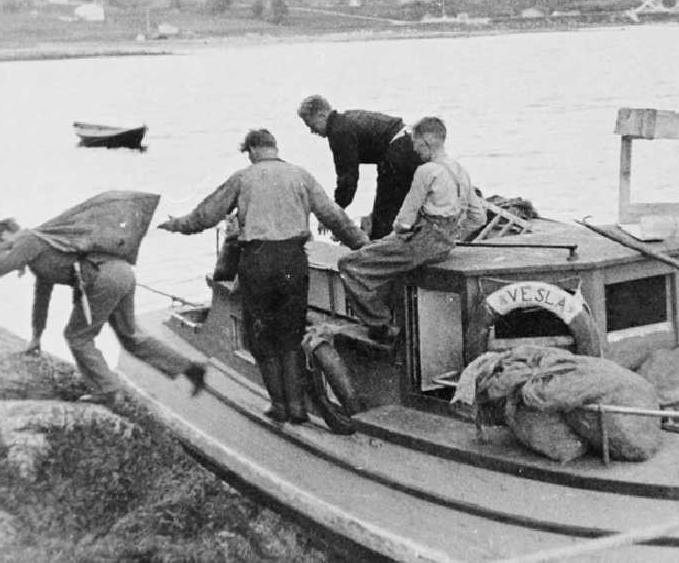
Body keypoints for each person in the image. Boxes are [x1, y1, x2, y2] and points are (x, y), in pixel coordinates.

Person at [158, 128, 368, 423]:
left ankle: (280, 406)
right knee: (291, 335)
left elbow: (206, 215)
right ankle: (297, 408)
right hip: (293, 262)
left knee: (261, 337)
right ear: (275, 147)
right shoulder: (302, 176)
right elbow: (335, 217)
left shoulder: (243, 178)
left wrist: (178, 225)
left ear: (253, 149)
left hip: (257, 262)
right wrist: (365, 247)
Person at [0, 218, 206, 405]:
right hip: (121, 273)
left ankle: (108, 390)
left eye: (5, 245)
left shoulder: (27, 240)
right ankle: (190, 368)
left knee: (77, 336)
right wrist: (37, 336)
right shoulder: (39, 252)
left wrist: (5, 244)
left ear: (9, 236)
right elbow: (42, 298)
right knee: (131, 337)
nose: (9, 254)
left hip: (105, 278)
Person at [338, 116, 486, 341]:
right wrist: (451, 235)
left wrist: (386, 240)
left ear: (425, 142)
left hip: (420, 242)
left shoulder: (426, 171)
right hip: (445, 244)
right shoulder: (459, 170)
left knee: (350, 264)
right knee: (380, 255)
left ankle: (381, 325)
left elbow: (403, 222)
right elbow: (478, 217)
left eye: (415, 144)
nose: (414, 150)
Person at [297, 94, 422, 240]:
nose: (312, 131)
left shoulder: (338, 131)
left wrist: (333, 214)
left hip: (398, 150)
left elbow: (347, 179)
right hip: (411, 142)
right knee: (400, 204)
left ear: (321, 114)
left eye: (311, 125)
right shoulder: (346, 119)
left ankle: (378, 253)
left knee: (384, 215)